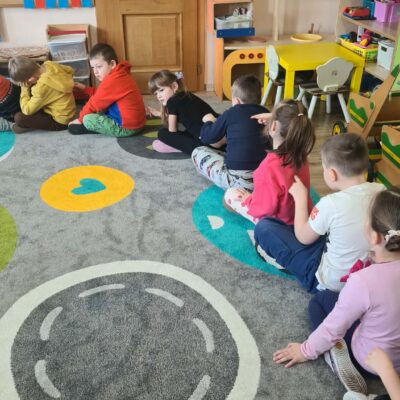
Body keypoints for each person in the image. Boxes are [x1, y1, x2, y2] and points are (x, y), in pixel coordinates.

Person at [272, 188, 400, 397]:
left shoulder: (363, 282)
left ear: (374, 236)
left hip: (368, 359)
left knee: (319, 302)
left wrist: (305, 350)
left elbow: (334, 326)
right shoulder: (367, 278)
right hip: (396, 363)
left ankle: (335, 358)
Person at [254, 133, 384, 293]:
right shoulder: (382, 191)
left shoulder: (330, 204)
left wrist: (301, 199)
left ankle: (286, 264)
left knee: (264, 228)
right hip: (368, 277)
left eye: (324, 169)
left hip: (327, 284)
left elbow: (303, 237)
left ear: (332, 174)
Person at [223, 99, 315, 224]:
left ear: (274, 126)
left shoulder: (268, 167)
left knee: (229, 195)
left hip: (280, 224)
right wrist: (276, 119)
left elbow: (264, 209)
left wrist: (248, 199)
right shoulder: (301, 154)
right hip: (302, 216)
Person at [191, 74, 269, 191]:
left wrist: (208, 122)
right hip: (265, 177)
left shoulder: (231, 113)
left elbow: (207, 137)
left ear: (236, 101)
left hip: (237, 181)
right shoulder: (266, 114)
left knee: (197, 152)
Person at [68, 43, 146, 137]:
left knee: (87, 119)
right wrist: (85, 88)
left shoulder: (113, 80)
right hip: (137, 123)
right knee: (98, 109)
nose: (95, 72)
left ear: (112, 64)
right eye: (93, 67)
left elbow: (94, 102)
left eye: (99, 67)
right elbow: (101, 95)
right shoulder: (120, 74)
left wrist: (79, 120)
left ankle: (97, 128)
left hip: (127, 128)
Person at [147, 69, 218, 154]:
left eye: (161, 90)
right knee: (189, 130)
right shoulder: (187, 95)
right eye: (156, 93)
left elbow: (172, 130)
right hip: (217, 131)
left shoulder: (172, 101)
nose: (159, 96)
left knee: (162, 133)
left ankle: (199, 149)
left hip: (208, 141)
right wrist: (159, 114)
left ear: (174, 86)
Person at [8, 56, 76, 133]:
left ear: (31, 79)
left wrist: (24, 89)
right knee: (34, 95)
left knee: (19, 118)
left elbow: (27, 110)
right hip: (68, 111)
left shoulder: (41, 88)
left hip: (60, 122)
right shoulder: (49, 64)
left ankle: (29, 126)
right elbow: (70, 70)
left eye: (24, 82)